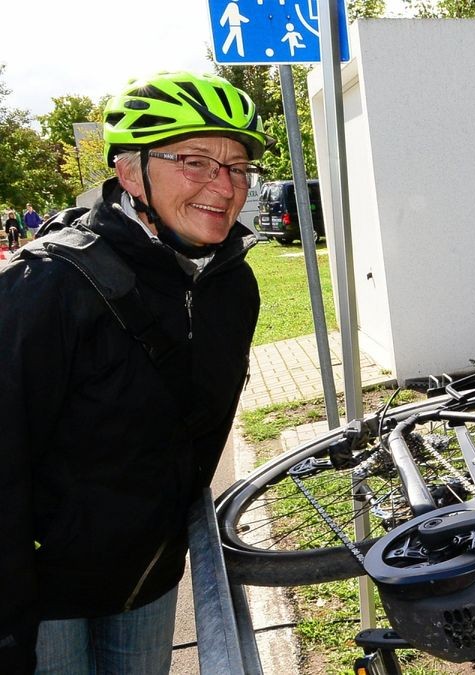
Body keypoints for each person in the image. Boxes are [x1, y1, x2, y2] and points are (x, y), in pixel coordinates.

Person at [0, 71, 272, 674]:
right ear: (129, 173)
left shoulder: (233, 286)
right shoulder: (45, 286)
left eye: (237, 167)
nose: (224, 186)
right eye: (196, 161)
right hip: (45, 596)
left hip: (149, 575)